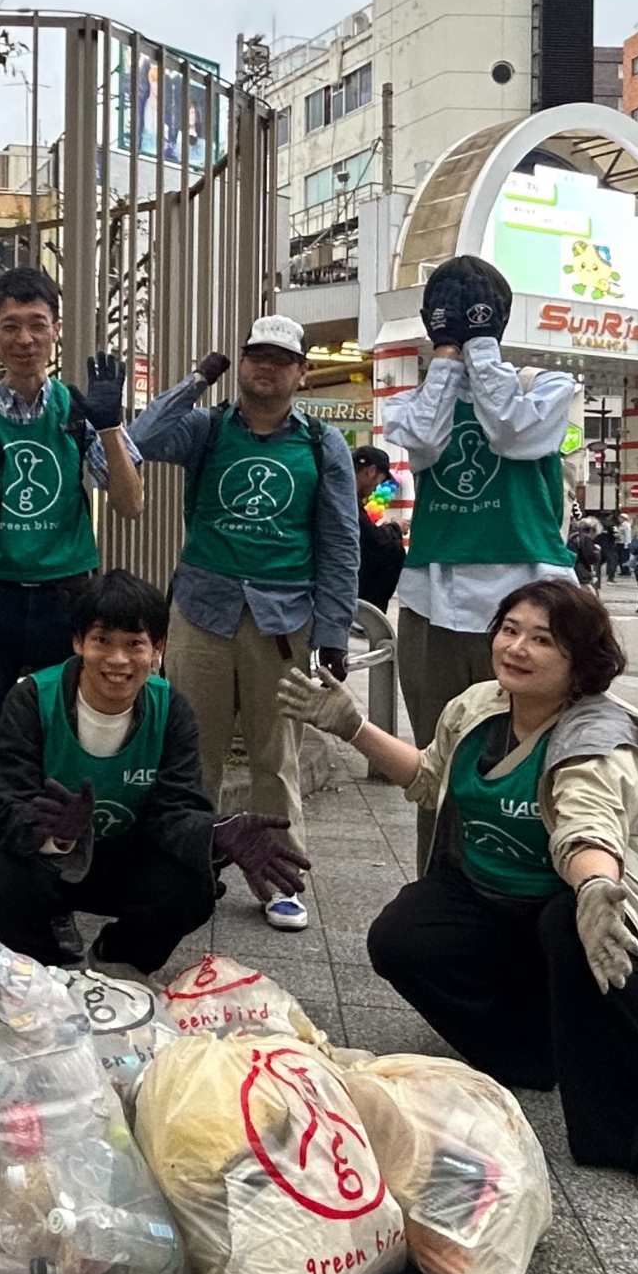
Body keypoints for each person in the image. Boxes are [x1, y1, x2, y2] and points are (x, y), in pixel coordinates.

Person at [283, 579, 638, 1209]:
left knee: (581, 931)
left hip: (578, 905)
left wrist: (596, 884)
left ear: (580, 660)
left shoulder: (595, 739)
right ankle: (530, 1053)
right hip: (488, 896)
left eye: (542, 640)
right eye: (509, 630)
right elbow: (429, 778)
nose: (516, 648)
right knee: (404, 935)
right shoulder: (479, 706)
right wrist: (354, 727)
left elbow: (587, 823)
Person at [127, 314, 360, 933]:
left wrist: (333, 632)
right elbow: (141, 439)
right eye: (257, 355)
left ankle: (280, 878)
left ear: (301, 373)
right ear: (242, 362)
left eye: (282, 359)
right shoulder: (206, 428)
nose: (267, 367)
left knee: (274, 756)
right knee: (190, 752)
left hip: (284, 620)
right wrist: (197, 381)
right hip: (202, 610)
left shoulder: (322, 445)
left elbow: (341, 543)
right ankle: (188, 865)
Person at [0, 265, 145, 898]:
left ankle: (56, 883)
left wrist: (110, 426)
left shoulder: (79, 412)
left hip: (64, 600)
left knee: (65, 740)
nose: (25, 339)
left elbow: (131, 504)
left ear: (57, 330)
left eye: (37, 325)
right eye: (11, 326)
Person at [0, 569, 306, 980]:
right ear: (78, 642)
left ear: (158, 647)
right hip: (46, 858)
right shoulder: (32, 698)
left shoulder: (171, 709)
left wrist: (215, 835)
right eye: (102, 641)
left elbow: (177, 809)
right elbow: (7, 799)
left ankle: (117, 958)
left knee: (194, 886)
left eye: (134, 644)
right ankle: (46, 966)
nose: (118, 659)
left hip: (126, 855)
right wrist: (53, 833)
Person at [381, 255, 579, 874]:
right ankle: (436, 889)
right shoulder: (417, 400)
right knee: (436, 762)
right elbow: (421, 440)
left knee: (535, 761)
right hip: (433, 605)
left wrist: (484, 349)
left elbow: (513, 434)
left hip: (533, 604)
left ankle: (527, 887)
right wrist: (445, 358)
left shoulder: (548, 387)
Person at [351, 444, 407, 612]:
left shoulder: (344, 492)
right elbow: (371, 539)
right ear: (371, 471)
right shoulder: (346, 496)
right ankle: (369, 611)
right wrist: (395, 528)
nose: (377, 489)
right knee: (392, 551)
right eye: (380, 482)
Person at [566, 518, 601, 592]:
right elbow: (590, 557)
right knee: (590, 592)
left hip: (572, 568)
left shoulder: (573, 536)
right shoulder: (585, 539)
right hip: (581, 571)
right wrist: (596, 551)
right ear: (592, 529)